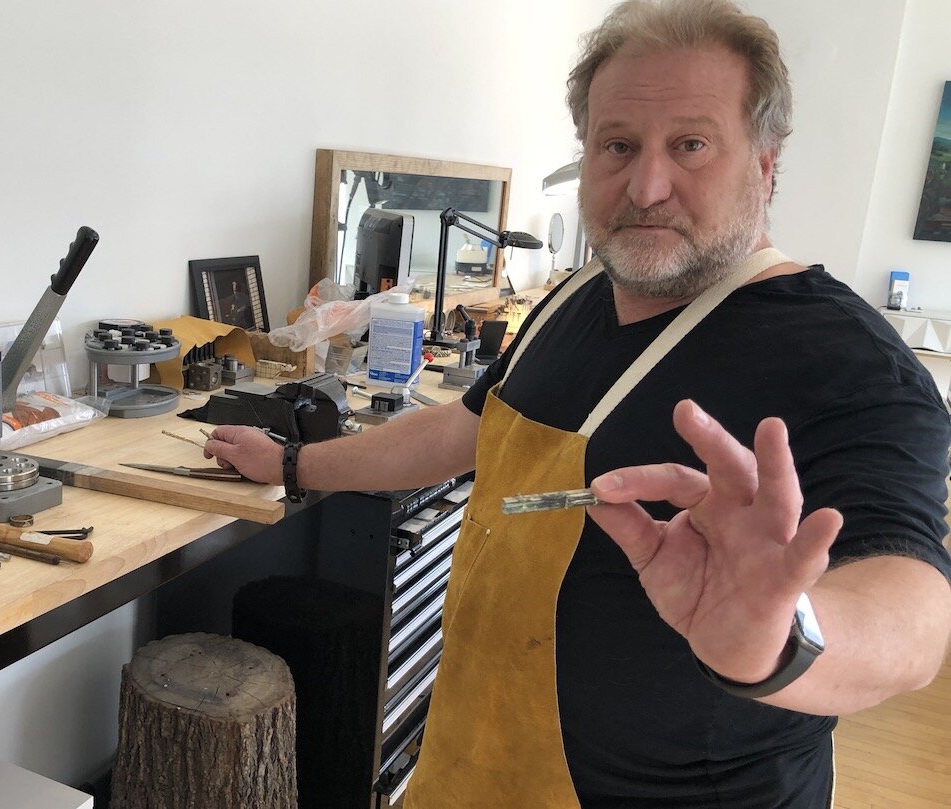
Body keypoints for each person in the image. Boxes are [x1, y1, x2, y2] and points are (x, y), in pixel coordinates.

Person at [206, 1, 951, 805]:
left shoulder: (848, 361)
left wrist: (782, 634)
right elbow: (465, 431)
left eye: (691, 145)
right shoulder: (576, 295)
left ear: (765, 165)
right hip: (471, 768)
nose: (647, 184)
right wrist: (293, 461)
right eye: (618, 145)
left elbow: (912, 614)